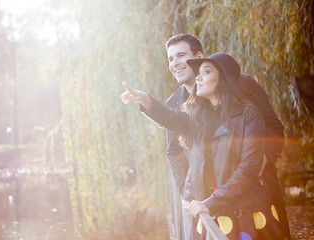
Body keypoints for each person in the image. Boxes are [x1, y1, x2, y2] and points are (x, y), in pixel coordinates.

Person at [121, 52, 290, 240]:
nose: (198, 77)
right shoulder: (197, 119)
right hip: (212, 216)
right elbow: (170, 117)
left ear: (223, 78)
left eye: (206, 71)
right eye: (198, 72)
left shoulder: (249, 116)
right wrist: (146, 100)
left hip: (247, 215)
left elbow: (249, 168)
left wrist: (210, 203)